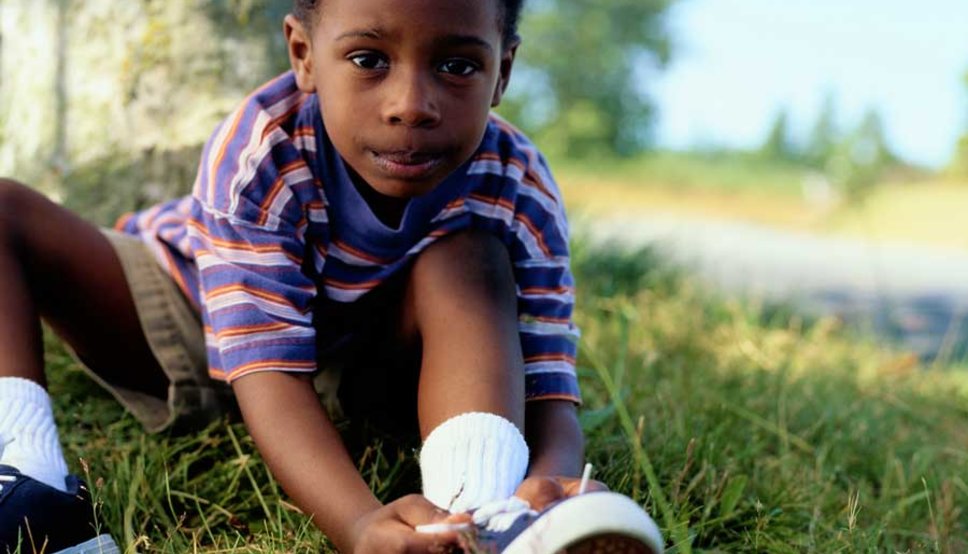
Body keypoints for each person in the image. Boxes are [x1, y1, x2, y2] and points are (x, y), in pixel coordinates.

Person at [0, 0, 663, 552]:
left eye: (458, 65)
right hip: (186, 310)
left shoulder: (516, 186)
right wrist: (357, 523)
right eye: (368, 59)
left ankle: (479, 516)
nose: (412, 104)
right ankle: (24, 483)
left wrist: (549, 490)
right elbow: (267, 371)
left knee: (468, 255)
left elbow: (549, 386)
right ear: (303, 54)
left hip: (365, 354)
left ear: (503, 71)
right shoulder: (263, 148)